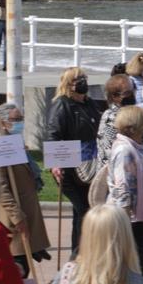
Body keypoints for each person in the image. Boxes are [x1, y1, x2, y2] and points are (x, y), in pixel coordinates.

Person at [0, 105, 50, 273]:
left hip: (26, 215)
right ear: (4, 123)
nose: (21, 124)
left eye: (21, 119)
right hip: (13, 222)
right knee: (18, 270)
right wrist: (17, 217)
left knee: (24, 268)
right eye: (16, 120)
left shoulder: (15, 146)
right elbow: (1, 189)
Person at [46, 67, 99, 253]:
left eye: (84, 77)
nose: (83, 81)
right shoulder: (62, 104)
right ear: (68, 84)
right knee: (83, 209)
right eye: (78, 79)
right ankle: (79, 253)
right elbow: (53, 134)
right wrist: (55, 165)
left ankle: (79, 251)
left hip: (89, 165)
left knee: (82, 211)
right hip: (69, 166)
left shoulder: (89, 103)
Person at [104, 106, 143, 271]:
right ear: (134, 128)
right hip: (129, 220)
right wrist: (123, 224)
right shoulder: (124, 150)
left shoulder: (137, 147)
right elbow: (122, 187)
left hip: (140, 218)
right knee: (133, 268)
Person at [94, 74, 134, 168]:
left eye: (132, 91)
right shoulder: (112, 117)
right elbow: (109, 150)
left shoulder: (125, 112)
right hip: (113, 171)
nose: (132, 95)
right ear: (115, 96)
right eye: (127, 93)